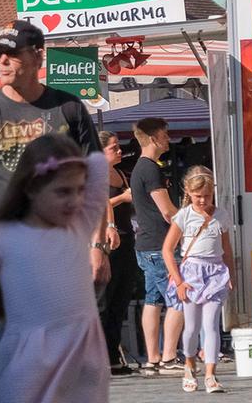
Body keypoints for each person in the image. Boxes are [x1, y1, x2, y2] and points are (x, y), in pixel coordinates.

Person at [0, 20, 103, 401]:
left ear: (37, 56)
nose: (1, 60)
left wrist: (98, 243)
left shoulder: (67, 108)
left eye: (11, 53)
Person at [0, 134, 110, 403]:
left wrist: (68, 149)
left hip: (81, 362)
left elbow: (99, 165)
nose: (74, 200)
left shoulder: (78, 226)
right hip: (28, 363)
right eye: (62, 191)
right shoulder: (0, 239)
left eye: (79, 190)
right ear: (31, 189)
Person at [161, 166, 233, 394]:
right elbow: (167, 250)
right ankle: (190, 365)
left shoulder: (221, 215)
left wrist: (230, 273)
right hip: (191, 273)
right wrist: (179, 280)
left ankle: (211, 373)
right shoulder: (183, 216)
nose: (203, 200)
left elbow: (227, 248)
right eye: (198, 196)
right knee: (191, 326)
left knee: (211, 324)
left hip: (215, 273)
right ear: (189, 194)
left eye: (207, 196)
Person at [127, 118, 183, 376]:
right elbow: (167, 211)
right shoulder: (150, 169)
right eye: (164, 133)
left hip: (147, 244)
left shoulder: (142, 168)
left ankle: (152, 358)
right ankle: (169, 357)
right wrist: (189, 221)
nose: (168, 138)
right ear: (152, 138)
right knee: (178, 300)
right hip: (160, 245)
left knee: (154, 300)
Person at [97, 131, 138, 376]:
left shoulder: (120, 173)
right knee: (104, 300)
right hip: (106, 240)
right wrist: (123, 197)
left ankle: (113, 354)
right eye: (114, 148)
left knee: (121, 298)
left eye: (119, 147)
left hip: (126, 237)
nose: (119, 151)